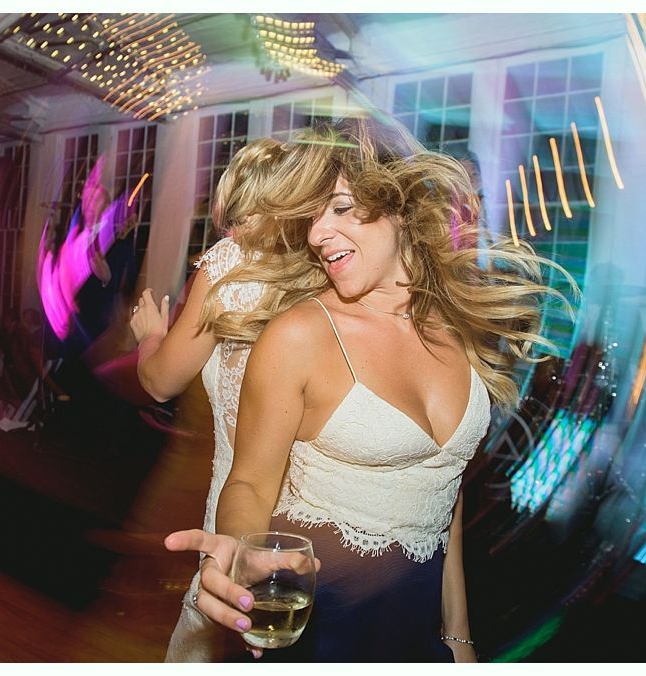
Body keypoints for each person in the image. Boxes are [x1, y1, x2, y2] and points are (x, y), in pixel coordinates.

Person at [164, 117, 574, 662]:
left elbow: (443, 495)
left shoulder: (462, 325)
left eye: (337, 207)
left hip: (412, 628)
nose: (316, 234)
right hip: (317, 627)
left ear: (400, 204)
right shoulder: (300, 334)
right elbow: (249, 485)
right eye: (309, 217)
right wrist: (242, 555)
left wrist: (458, 639)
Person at [127, 138, 289, 662]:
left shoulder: (229, 263)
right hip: (313, 508)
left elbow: (159, 381)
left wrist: (150, 334)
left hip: (240, 495)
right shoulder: (320, 273)